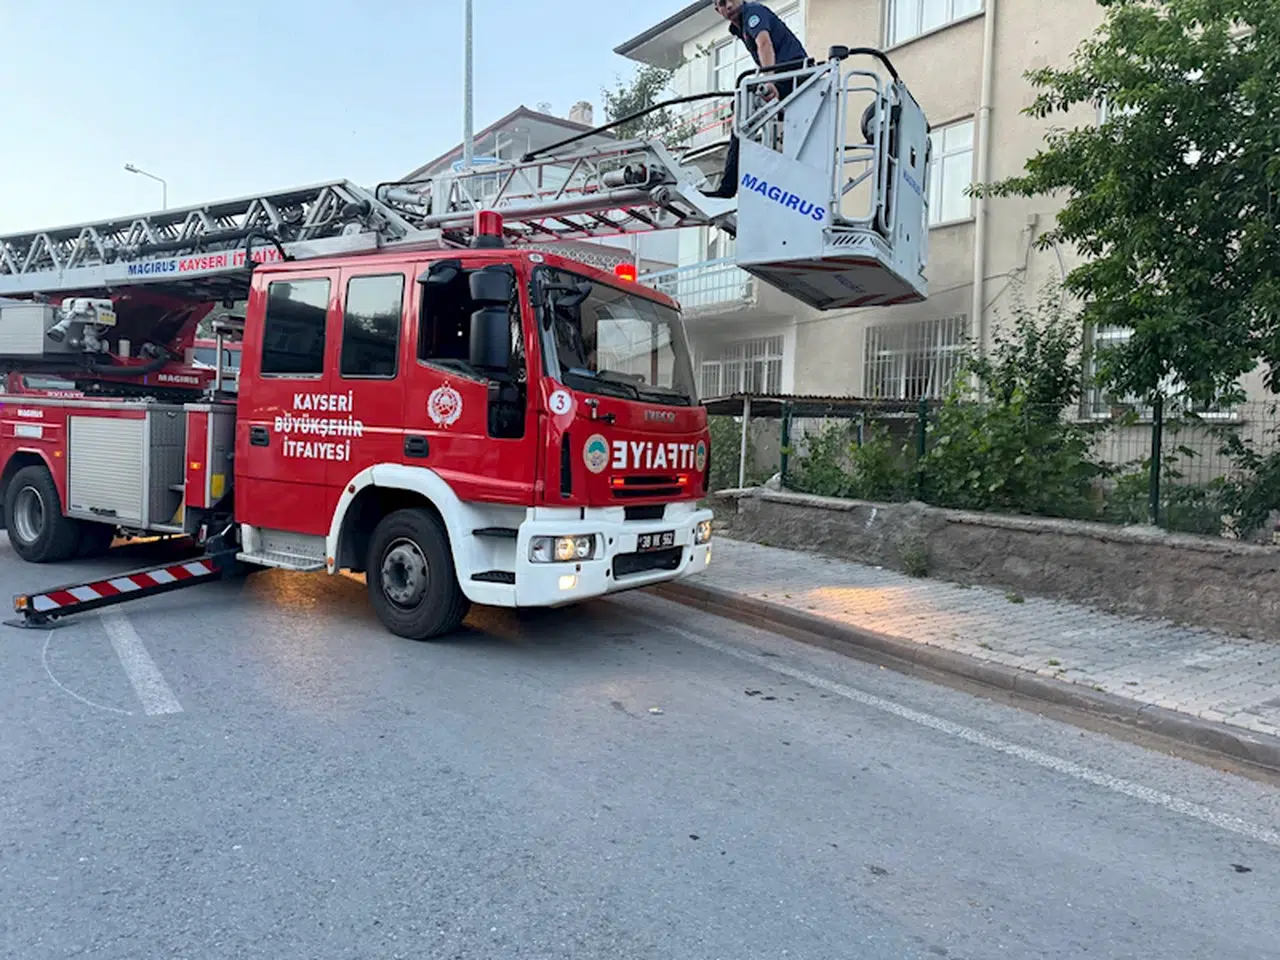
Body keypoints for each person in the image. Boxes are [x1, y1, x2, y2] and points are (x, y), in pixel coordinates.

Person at [703, 0, 810, 199]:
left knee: (744, 107)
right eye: (721, 3)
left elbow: (764, 43)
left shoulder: (753, 12)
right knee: (745, 107)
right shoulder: (739, 27)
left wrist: (769, 81)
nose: (727, 5)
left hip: (793, 73)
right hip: (787, 74)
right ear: (717, 10)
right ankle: (769, 181)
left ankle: (728, 187)